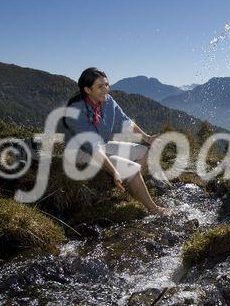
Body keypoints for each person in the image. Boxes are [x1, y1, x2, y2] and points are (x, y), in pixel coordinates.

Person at [63, 67, 170, 215]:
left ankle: (133, 190)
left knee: (145, 151)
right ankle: (154, 209)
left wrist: (147, 138)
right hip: (80, 152)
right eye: (100, 86)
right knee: (132, 168)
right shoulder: (76, 110)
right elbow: (92, 147)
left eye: (106, 84)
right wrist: (114, 171)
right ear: (87, 89)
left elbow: (126, 122)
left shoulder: (108, 101)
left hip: (102, 145)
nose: (106, 89)